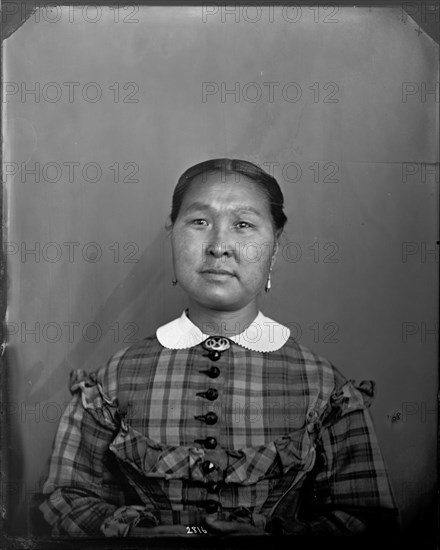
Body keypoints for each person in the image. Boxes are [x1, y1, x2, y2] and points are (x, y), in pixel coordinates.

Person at [39, 158, 398, 537]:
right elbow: (64, 497)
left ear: (274, 247)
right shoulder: (113, 379)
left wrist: (278, 540)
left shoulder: (323, 386)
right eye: (199, 222)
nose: (219, 246)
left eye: (243, 225)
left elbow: (368, 517)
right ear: (172, 235)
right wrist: (133, 534)